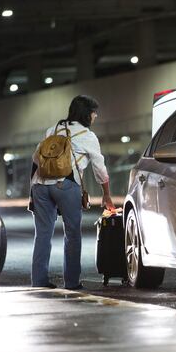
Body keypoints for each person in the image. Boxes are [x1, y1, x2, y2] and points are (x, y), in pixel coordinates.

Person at [30, 95, 115, 289]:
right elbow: (99, 168)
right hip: (66, 185)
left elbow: (36, 158)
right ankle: (71, 282)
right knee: (73, 234)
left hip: (40, 185)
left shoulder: (53, 129)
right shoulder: (87, 135)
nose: (95, 116)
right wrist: (106, 194)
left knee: (42, 234)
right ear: (87, 114)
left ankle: (38, 281)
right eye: (94, 113)